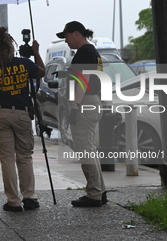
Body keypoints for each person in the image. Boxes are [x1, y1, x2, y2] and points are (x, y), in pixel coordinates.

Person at [0, 27, 45, 212]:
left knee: (7, 158)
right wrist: (36, 53)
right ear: (12, 46)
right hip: (22, 113)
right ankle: (30, 197)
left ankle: (14, 201)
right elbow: (41, 72)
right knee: (24, 157)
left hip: (1, 114)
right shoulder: (24, 63)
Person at [56, 21, 107, 207]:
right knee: (90, 150)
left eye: (67, 36)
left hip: (85, 103)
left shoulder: (85, 52)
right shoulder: (91, 51)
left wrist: (75, 105)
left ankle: (94, 194)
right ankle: (100, 191)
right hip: (92, 102)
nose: (66, 41)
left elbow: (83, 79)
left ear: (76, 33)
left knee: (85, 150)